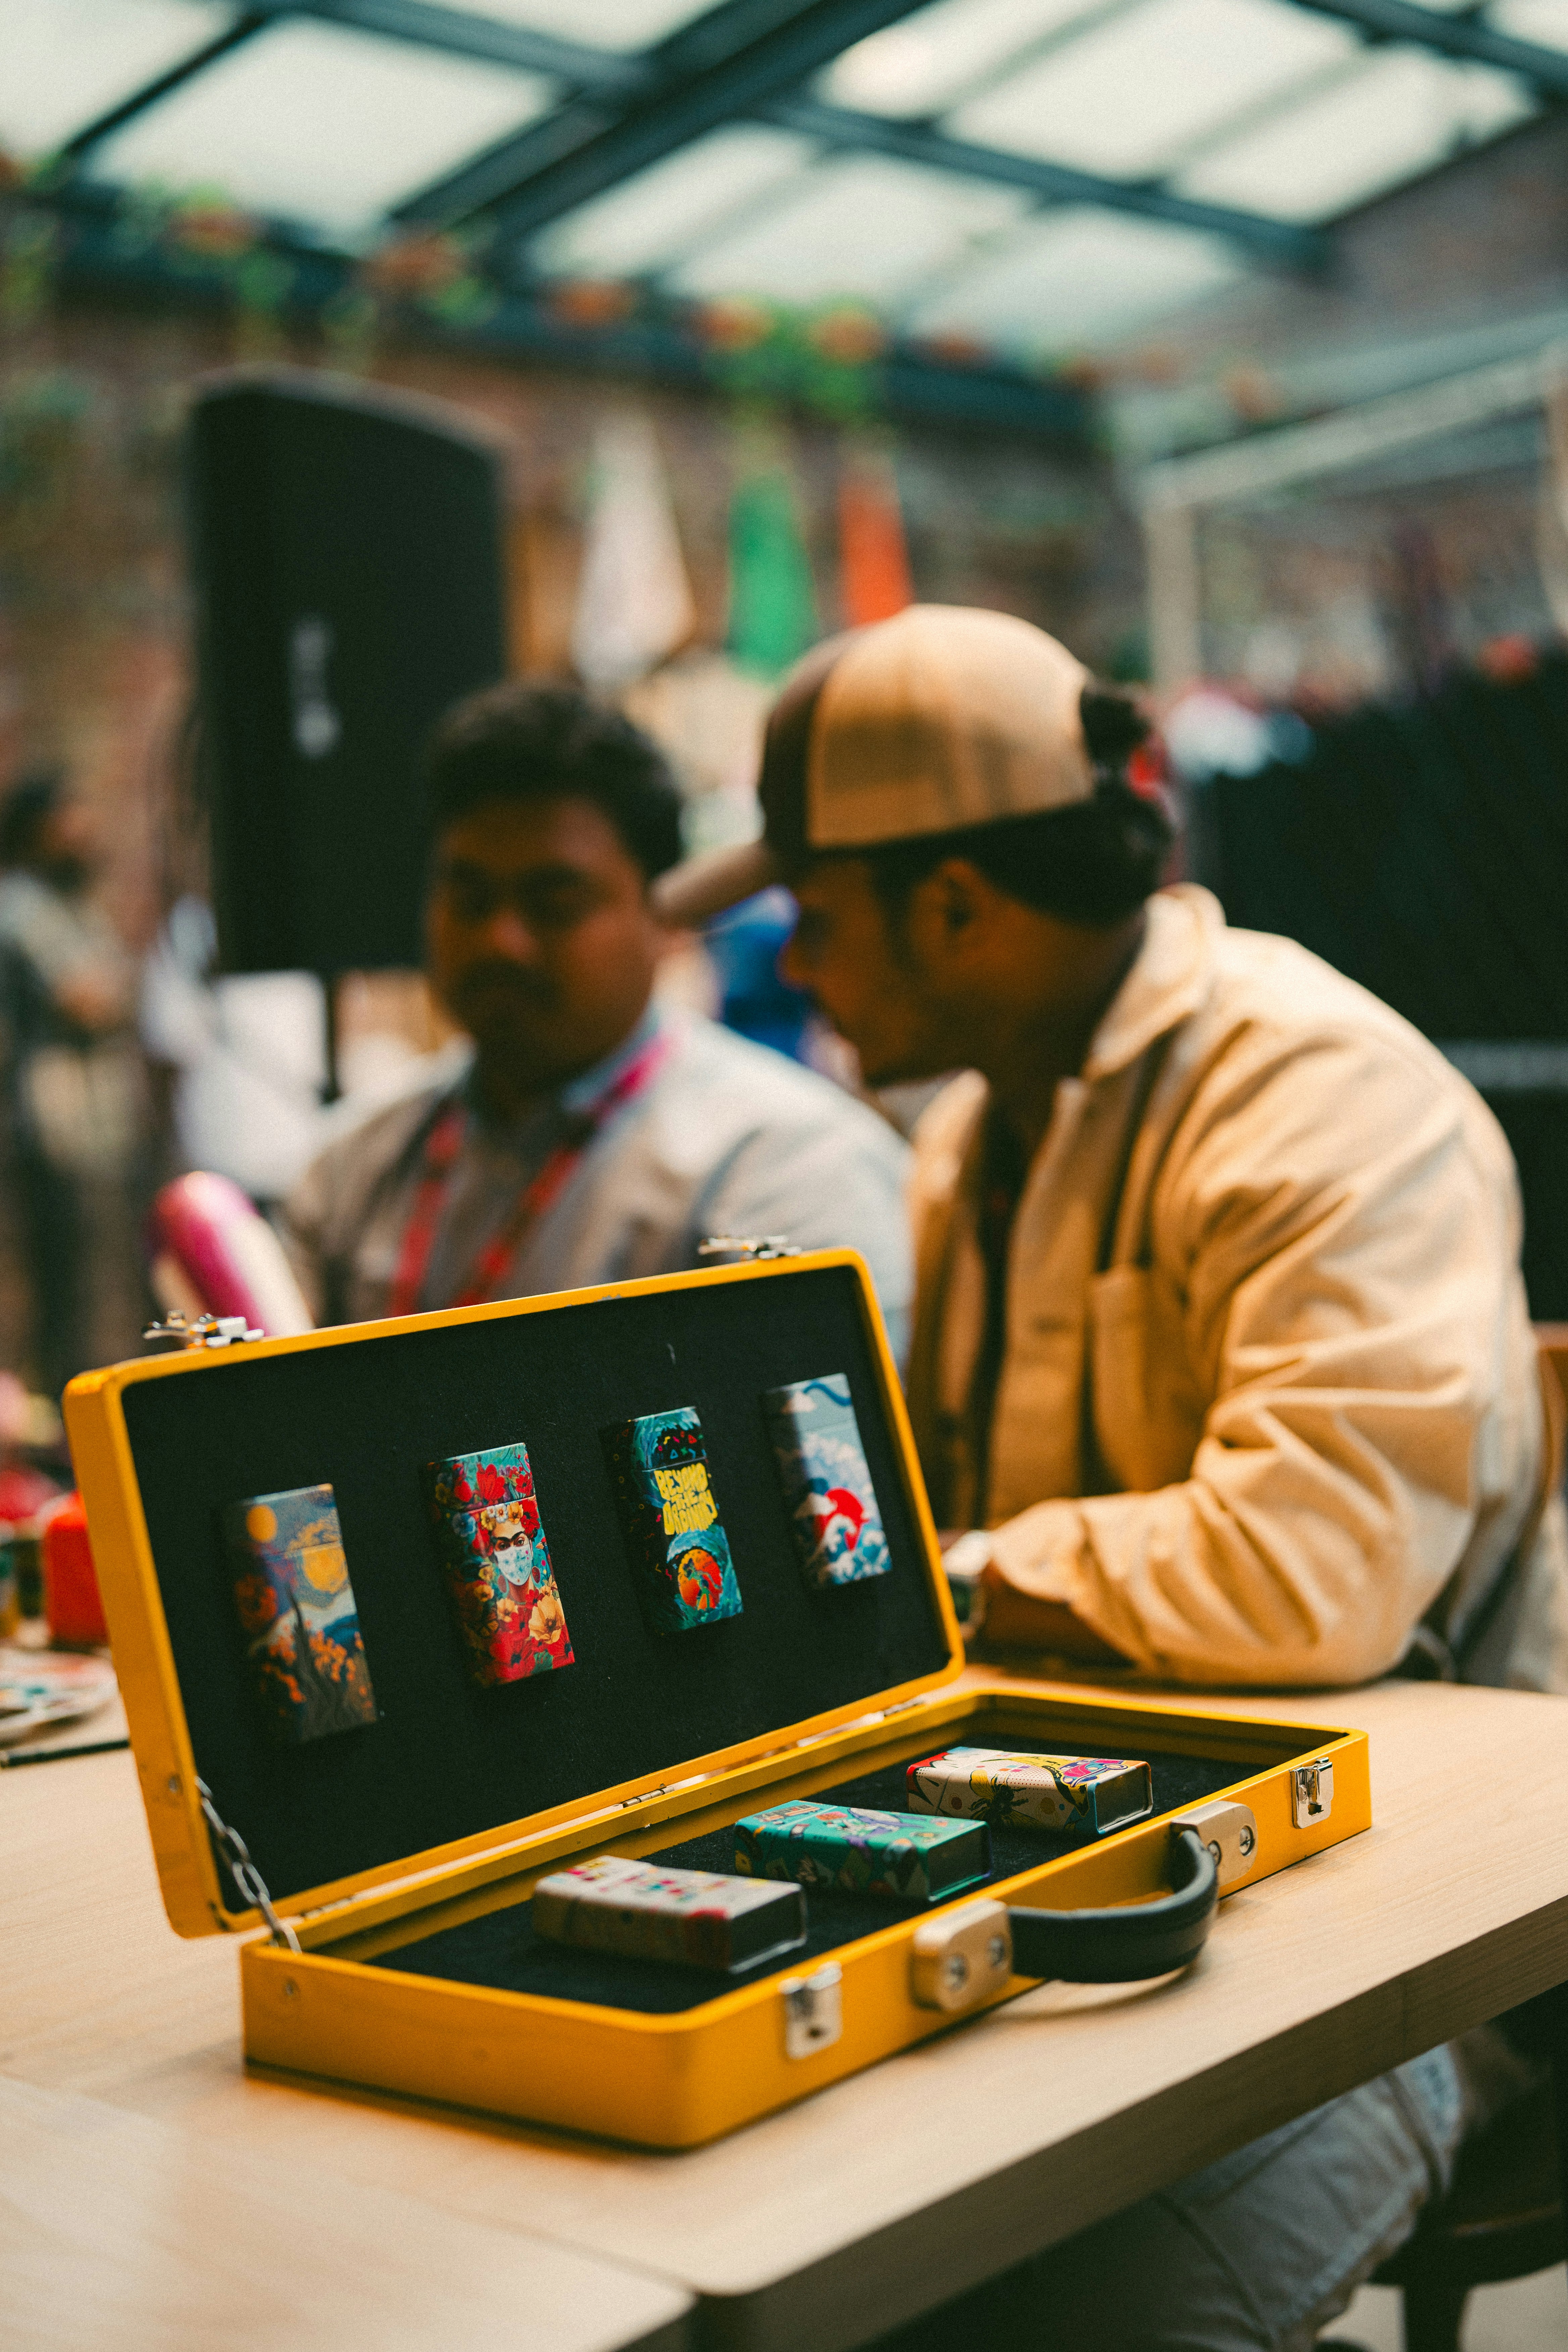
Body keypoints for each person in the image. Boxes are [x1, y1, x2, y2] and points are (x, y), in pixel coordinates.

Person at [650, 603, 1565, 2350]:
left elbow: (1318, 1574)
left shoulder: (1319, 1090)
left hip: (1425, 1930)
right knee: (792, 2254)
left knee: (1047, 2320)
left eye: (816, 914)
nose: (798, 962)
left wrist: (950, 1569)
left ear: (953, 906)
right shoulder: (970, 1132)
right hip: (1102, 1841)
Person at [283, 681, 911, 1351]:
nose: (502, 940)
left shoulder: (785, 1165)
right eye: (468, 899)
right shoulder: (352, 1165)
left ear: (667, 916)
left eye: (553, 904)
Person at [0, 769, 147, 1395]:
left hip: (101, 1128)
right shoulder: (20, 904)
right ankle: (67, 1427)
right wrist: (120, 990)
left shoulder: (76, 905)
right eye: (71, 817)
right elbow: (89, 999)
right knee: (71, 1295)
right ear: (38, 830)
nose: (85, 831)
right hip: (57, 1130)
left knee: (108, 1287)